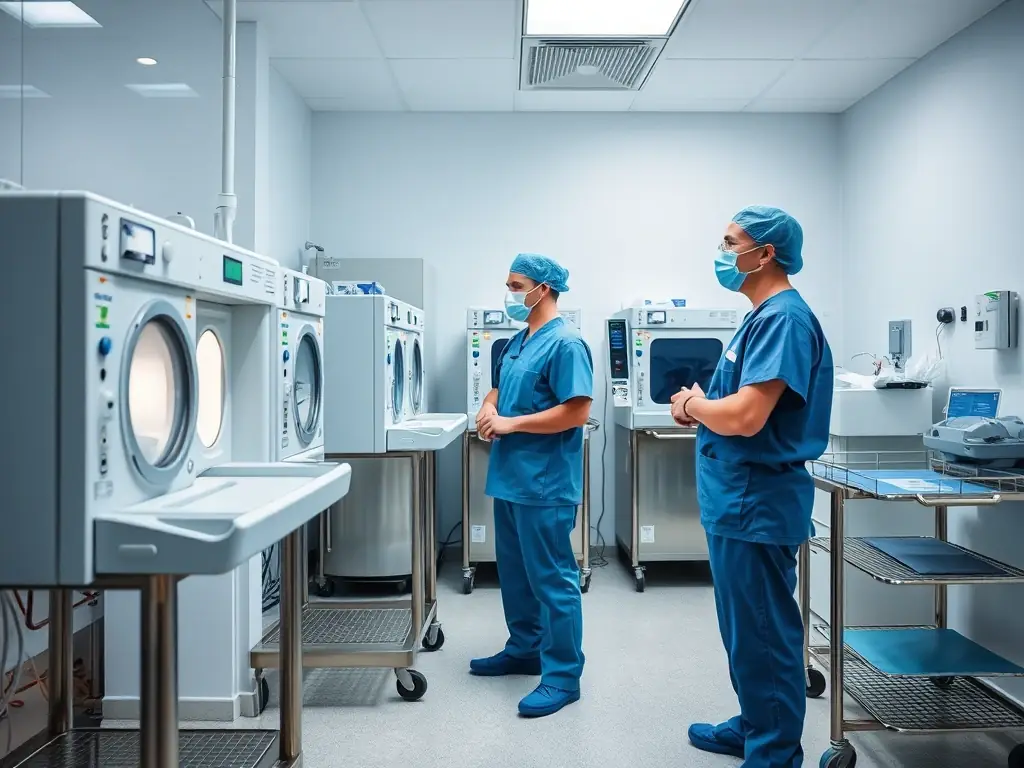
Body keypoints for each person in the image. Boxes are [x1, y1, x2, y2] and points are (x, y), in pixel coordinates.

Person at [670, 206, 834, 768]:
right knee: (744, 628)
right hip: (738, 501)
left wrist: (693, 404)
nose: (721, 252)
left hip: (756, 503)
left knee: (763, 630)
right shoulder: (760, 315)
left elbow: (745, 418)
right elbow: (739, 407)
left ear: (764, 253)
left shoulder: (783, 318)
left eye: (730, 242)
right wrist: (705, 407)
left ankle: (775, 752)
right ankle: (755, 724)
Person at [471, 252, 594, 718]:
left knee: (553, 579)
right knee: (516, 574)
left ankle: (563, 677)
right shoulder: (519, 341)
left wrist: (511, 425)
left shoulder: (566, 344)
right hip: (510, 478)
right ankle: (524, 649)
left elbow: (576, 411)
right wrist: (489, 409)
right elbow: (499, 388)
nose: (511, 294)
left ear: (543, 289)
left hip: (544, 483)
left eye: (516, 285)